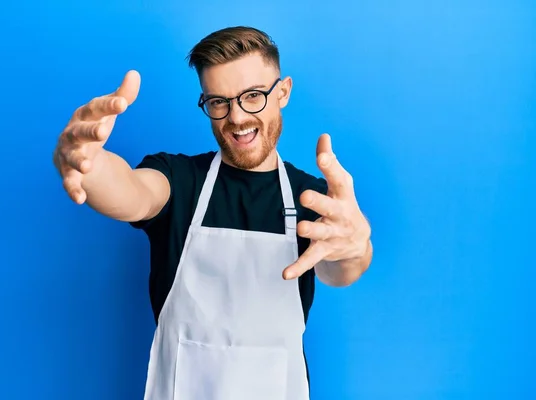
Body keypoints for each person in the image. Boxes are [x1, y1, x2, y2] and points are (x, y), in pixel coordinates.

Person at [53, 26, 372, 400]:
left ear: (282, 92)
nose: (236, 117)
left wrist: (356, 244)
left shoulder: (313, 198)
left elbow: (340, 267)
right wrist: (89, 165)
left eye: (253, 95)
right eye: (218, 101)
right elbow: (130, 191)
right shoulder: (179, 179)